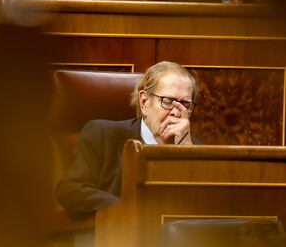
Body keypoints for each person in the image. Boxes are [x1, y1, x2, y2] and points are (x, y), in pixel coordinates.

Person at [55, 61, 198, 219]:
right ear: (144, 102)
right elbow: (70, 190)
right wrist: (131, 209)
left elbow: (204, 209)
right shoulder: (104, 135)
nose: (177, 113)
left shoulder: (194, 148)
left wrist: (186, 154)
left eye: (185, 104)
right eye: (168, 101)